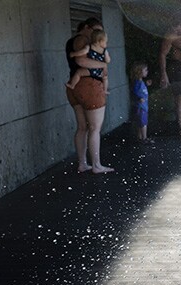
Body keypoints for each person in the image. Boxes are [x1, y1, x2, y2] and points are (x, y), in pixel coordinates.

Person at [65, 18, 114, 174]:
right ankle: (97, 165)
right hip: (89, 86)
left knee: (82, 127)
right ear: (86, 27)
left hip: (75, 87)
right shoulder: (83, 40)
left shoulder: (70, 41)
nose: (96, 35)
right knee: (94, 128)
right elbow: (81, 60)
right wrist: (103, 65)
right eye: (95, 30)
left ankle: (83, 163)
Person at [66, 29, 111, 95]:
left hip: (90, 69)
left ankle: (72, 85)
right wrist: (107, 58)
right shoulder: (104, 51)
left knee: (78, 73)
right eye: (105, 42)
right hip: (100, 71)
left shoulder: (89, 47)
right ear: (100, 42)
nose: (106, 44)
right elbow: (108, 60)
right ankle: (105, 90)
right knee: (105, 78)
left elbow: (82, 52)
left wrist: (73, 54)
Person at [130, 62, 152, 143]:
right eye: (145, 70)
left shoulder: (140, 82)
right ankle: (144, 138)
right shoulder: (137, 83)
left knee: (141, 122)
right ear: (139, 72)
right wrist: (139, 98)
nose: (147, 71)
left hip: (143, 106)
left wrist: (146, 84)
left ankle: (140, 137)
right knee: (143, 122)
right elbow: (135, 91)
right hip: (141, 106)